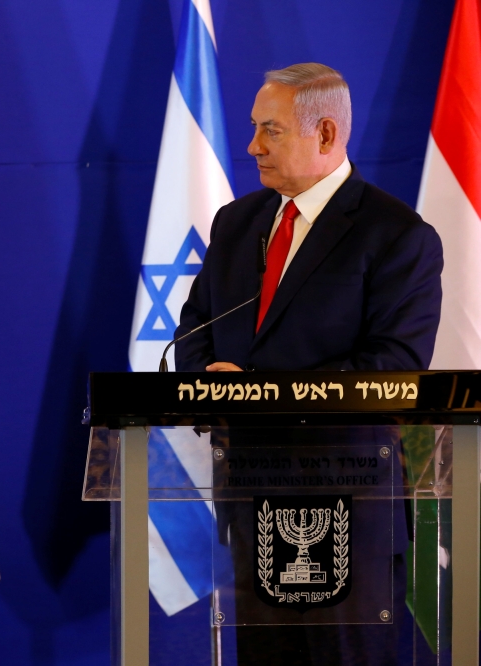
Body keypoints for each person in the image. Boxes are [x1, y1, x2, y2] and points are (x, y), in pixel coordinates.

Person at [175, 64, 443, 666]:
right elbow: (195, 330)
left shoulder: (398, 235)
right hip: (252, 498)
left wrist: (256, 393)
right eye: (252, 128)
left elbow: (393, 368)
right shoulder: (236, 223)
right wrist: (208, 381)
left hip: (346, 508)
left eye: (269, 130)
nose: (251, 147)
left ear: (325, 134)